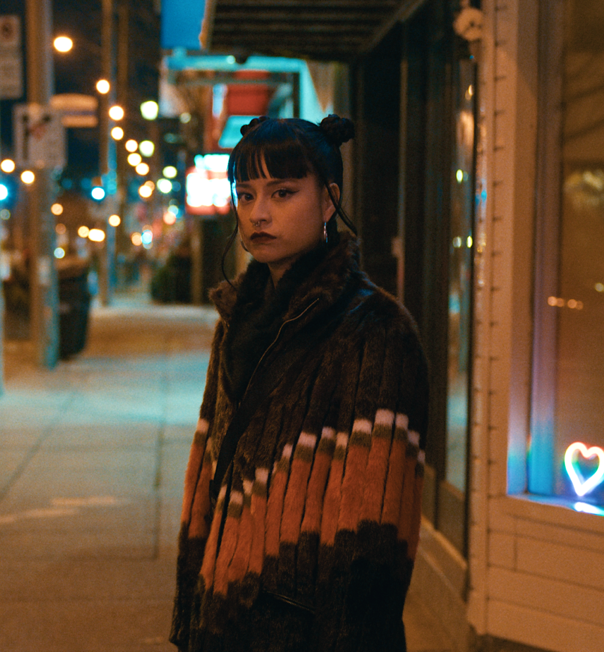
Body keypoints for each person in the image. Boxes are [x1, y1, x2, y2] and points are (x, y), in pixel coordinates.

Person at [170, 115, 429, 651]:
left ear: (329, 200)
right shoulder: (237, 319)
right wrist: (188, 618)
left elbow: (372, 540)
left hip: (301, 632)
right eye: (245, 195)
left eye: (283, 193)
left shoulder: (374, 329)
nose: (258, 213)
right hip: (221, 619)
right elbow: (208, 473)